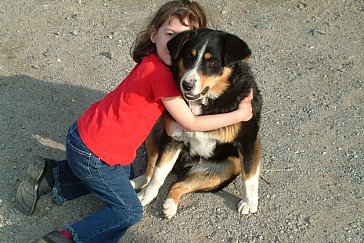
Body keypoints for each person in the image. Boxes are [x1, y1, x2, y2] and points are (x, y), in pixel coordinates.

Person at [16, 1, 254, 242]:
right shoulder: (162, 79)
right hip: (94, 154)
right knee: (129, 211)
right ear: (153, 33)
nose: (176, 46)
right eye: (171, 35)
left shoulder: (151, 61)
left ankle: (53, 174)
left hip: (85, 136)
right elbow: (191, 123)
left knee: (126, 172)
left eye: (184, 39)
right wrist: (240, 116)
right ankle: (67, 238)